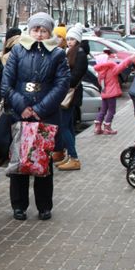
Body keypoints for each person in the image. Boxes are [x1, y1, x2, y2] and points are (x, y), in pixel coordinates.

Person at [1, 12, 71, 221]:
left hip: (45, 115)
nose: (39, 34)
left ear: (49, 32)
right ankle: (19, 205)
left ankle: (44, 206)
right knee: (19, 161)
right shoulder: (17, 52)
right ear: (29, 30)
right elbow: (6, 84)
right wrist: (21, 106)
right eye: (35, 29)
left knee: (43, 162)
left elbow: (62, 85)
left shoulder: (58, 55)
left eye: (43, 30)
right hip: (19, 114)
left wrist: (40, 108)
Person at [56, 26, 88, 171]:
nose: (69, 42)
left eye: (72, 39)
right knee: (68, 126)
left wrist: (61, 83)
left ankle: (74, 158)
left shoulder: (79, 53)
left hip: (70, 95)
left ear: (78, 40)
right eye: (68, 39)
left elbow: (75, 76)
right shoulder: (69, 52)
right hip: (68, 94)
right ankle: (70, 156)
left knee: (63, 126)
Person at [93, 49, 127, 135]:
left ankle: (97, 126)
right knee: (112, 110)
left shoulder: (100, 72)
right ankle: (107, 127)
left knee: (103, 110)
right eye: (107, 59)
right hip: (111, 94)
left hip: (104, 93)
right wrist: (130, 59)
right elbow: (121, 66)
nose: (109, 60)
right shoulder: (111, 70)